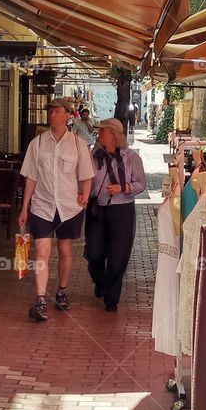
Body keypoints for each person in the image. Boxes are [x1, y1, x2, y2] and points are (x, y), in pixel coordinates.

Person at [19, 97, 94, 322]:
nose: (52, 115)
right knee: (42, 252)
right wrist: (24, 207)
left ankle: (61, 290)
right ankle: (40, 299)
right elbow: (31, 177)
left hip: (69, 208)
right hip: (41, 206)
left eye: (57, 111)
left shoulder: (78, 144)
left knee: (65, 251)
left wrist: (85, 196)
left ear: (68, 115)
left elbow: (86, 174)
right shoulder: (38, 143)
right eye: (50, 111)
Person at [85, 117, 147, 312]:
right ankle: (100, 280)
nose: (99, 134)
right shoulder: (93, 157)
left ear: (113, 135)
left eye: (102, 131)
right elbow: (85, 182)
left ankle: (111, 297)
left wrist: (123, 187)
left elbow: (141, 184)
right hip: (98, 209)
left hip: (122, 210)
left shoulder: (131, 158)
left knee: (118, 256)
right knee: (94, 253)